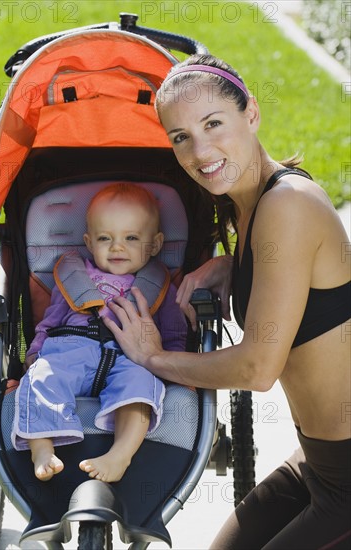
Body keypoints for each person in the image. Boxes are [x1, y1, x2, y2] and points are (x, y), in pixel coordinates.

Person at [102, 55, 351, 548]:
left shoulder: (287, 204)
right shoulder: (248, 203)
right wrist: (231, 269)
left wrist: (154, 358)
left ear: (251, 113)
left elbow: (256, 368)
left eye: (213, 123)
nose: (200, 149)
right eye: (180, 137)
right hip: (319, 466)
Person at [11, 182, 187, 483]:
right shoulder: (73, 277)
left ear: (156, 244)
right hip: (70, 349)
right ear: (89, 242)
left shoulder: (160, 285)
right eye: (105, 238)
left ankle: (121, 454)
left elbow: (173, 333)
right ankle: (41, 447)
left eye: (131, 237)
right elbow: (50, 321)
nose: (117, 247)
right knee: (40, 377)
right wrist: (36, 351)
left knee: (141, 387)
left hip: (131, 357)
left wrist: (176, 367)